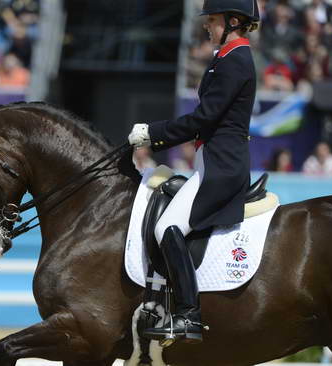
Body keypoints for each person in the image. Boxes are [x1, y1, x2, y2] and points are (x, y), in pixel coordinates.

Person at [128, 0, 259, 344]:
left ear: (234, 21)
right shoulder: (225, 58)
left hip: (222, 167)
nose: (207, 26)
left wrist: (152, 134)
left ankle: (188, 315)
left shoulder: (237, 60)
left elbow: (204, 119)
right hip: (212, 162)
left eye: (213, 21)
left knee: (167, 226)